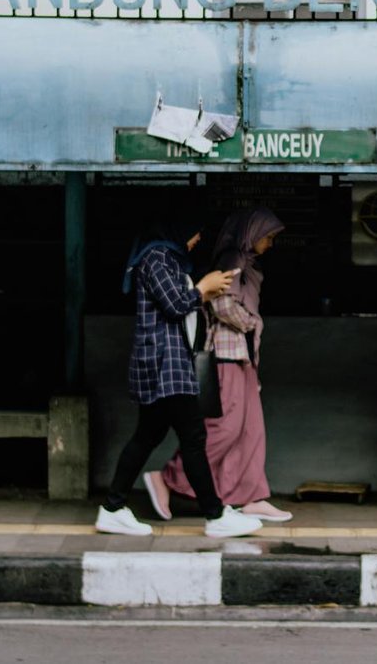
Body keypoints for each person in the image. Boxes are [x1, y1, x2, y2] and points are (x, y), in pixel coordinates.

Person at [96, 215, 261, 538]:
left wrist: (209, 289)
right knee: (194, 438)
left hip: (168, 363)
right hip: (164, 364)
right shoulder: (156, 258)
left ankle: (112, 508)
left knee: (147, 437)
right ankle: (215, 515)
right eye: (195, 232)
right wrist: (204, 288)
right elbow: (174, 305)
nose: (198, 239)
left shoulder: (169, 259)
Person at [151, 206, 291, 523]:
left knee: (251, 430)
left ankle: (248, 496)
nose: (270, 244)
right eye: (267, 237)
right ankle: (169, 477)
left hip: (243, 356)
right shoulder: (232, 260)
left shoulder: (248, 264)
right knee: (225, 427)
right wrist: (251, 323)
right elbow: (222, 302)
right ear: (251, 234)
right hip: (225, 354)